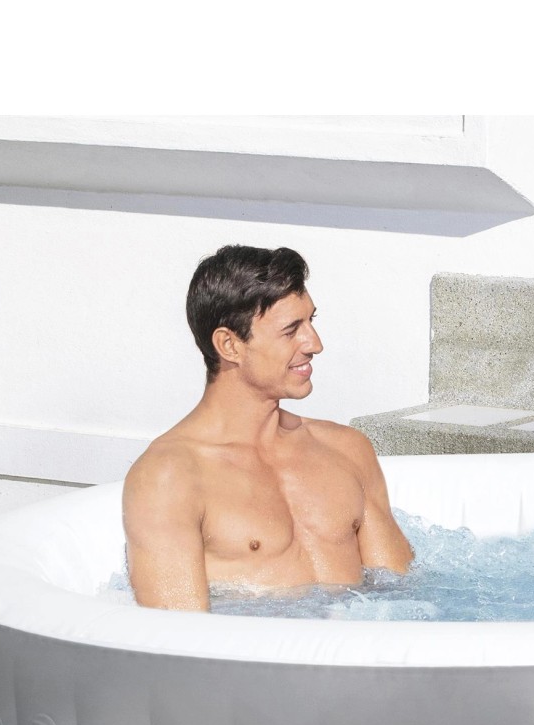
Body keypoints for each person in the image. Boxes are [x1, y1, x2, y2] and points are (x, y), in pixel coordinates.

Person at [122, 244, 413, 610]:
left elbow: (404, 596)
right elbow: (179, 633)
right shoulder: (169, 478)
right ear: (229, 345)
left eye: (311, 321)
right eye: (291, 330)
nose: (315, 344)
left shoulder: (346, 449)